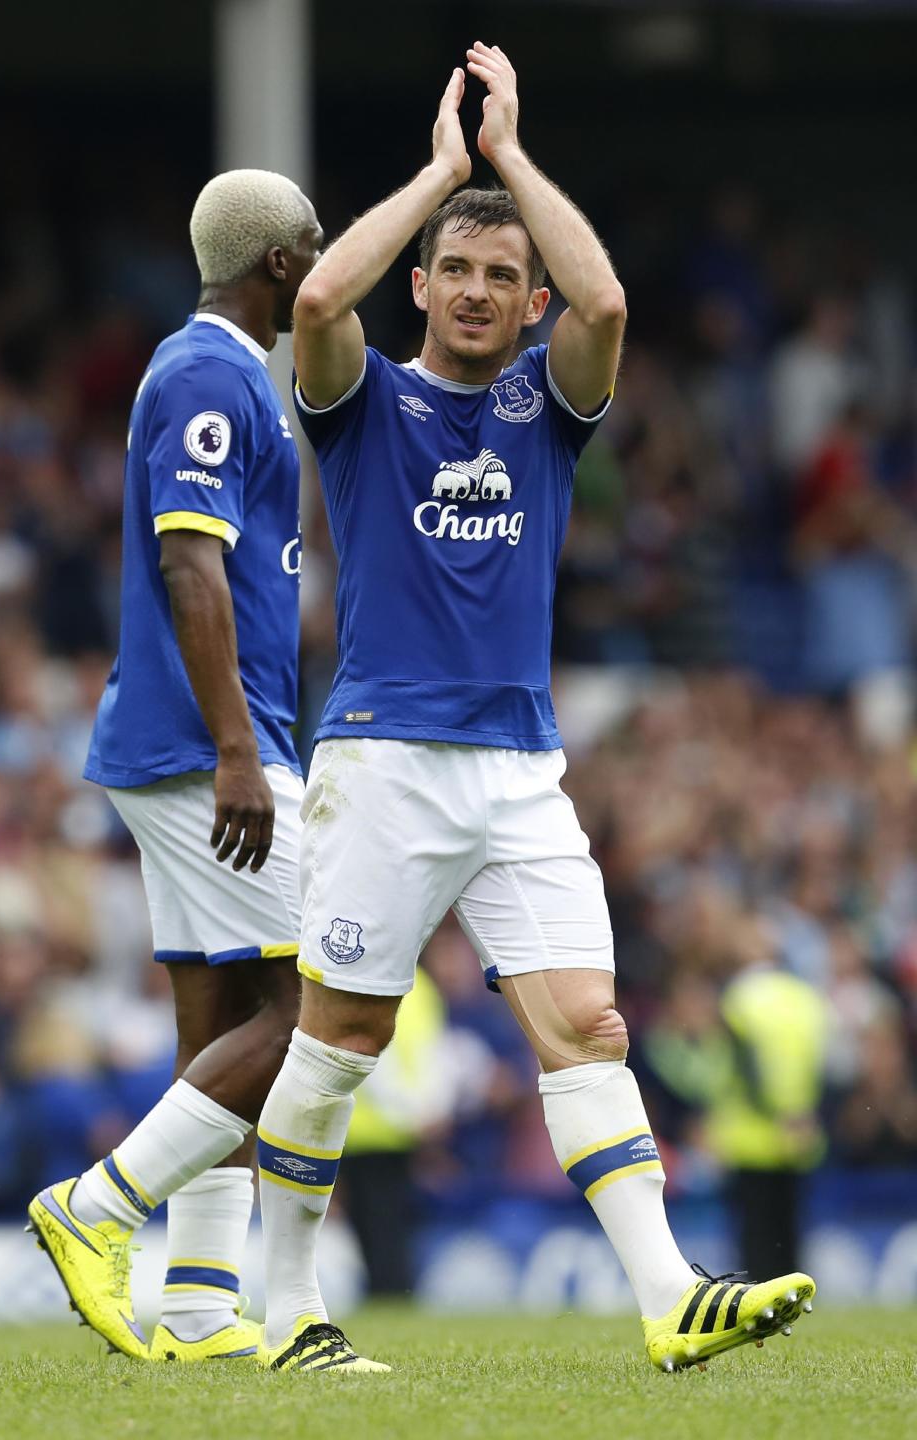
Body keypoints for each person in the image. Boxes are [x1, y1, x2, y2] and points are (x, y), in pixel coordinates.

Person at [252, 46, 815, 1375]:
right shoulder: (363, 402)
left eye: (504, 275)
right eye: (459, 269)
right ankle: (284, 1313)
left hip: (520, 769)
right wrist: (447, 172)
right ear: (426, 284)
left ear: (524, 299)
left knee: (588, 1024)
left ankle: (670, 1295)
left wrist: (511, 162)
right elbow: (323, 291)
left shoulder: (543, 409)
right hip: (383, 760)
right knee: (342, 1037)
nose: (479, 290)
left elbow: (609, 298)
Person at [26, 169, 323, 1362]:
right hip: (210, 745)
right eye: (315, 241)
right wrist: (240, 750)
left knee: (228, 1018)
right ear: (283, 266)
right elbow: (190, 569)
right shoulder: (209, 373)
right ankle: (93, 1208)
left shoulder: (217, 372)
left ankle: (199, 1309)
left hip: (187, 741)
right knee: (321, 1013)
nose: (325, 256)